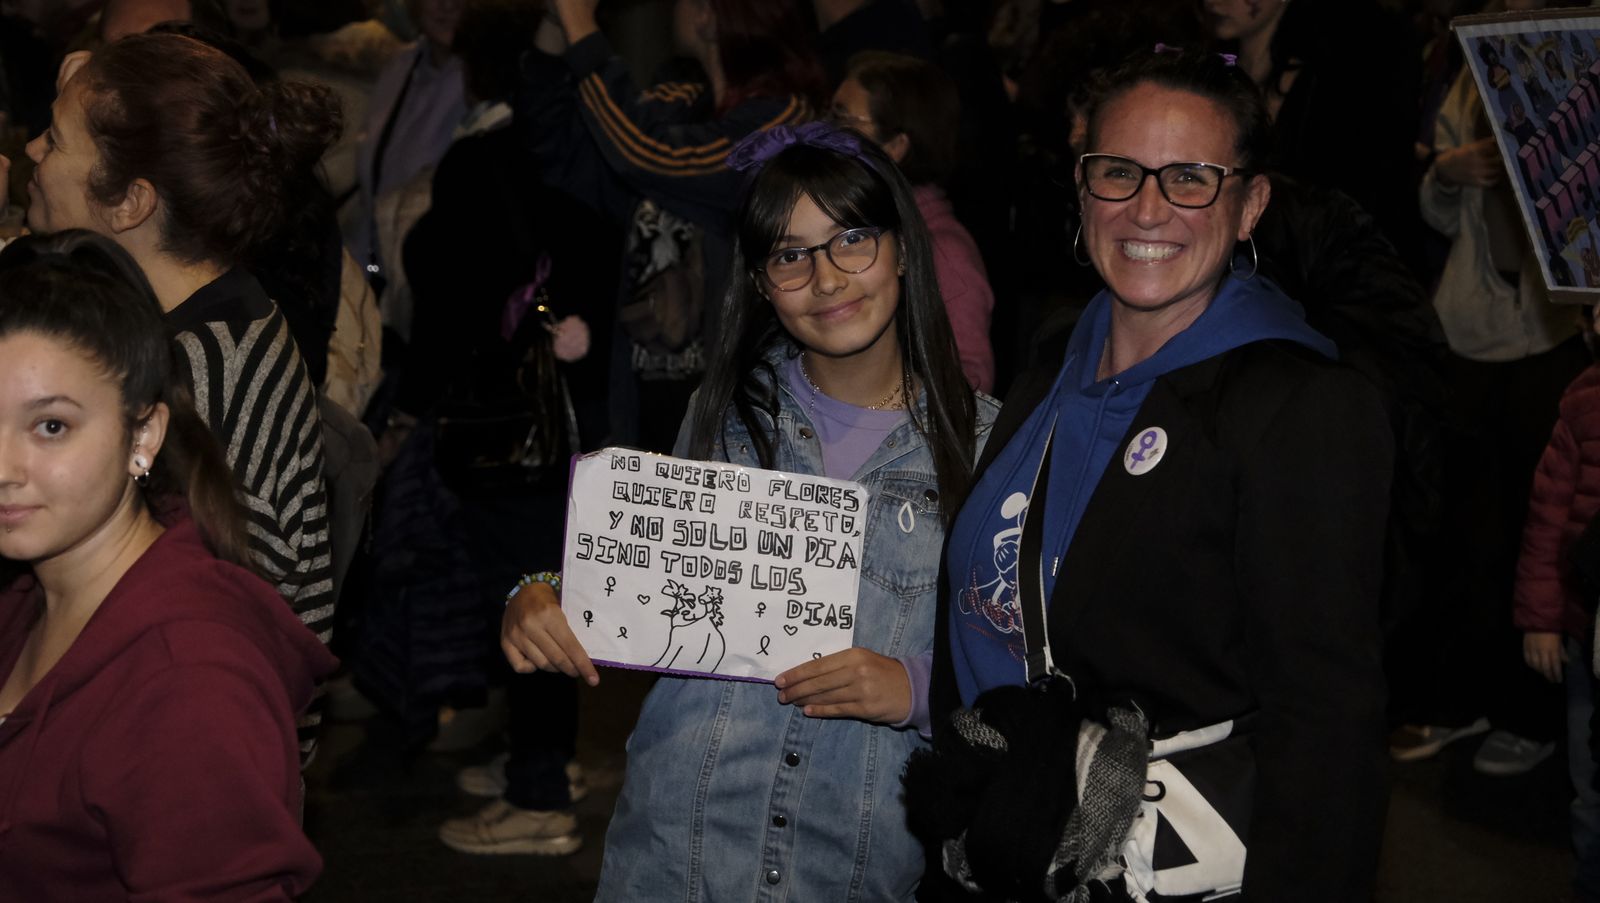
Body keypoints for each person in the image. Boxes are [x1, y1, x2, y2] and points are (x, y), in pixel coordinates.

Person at [918, 48, 1392, 901]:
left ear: (1250, 204)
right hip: (1004, 838)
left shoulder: (1299, 407)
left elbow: (1326, 723)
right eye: (1119, 172)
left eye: (1190, 178)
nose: (1147, 207)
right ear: (1081, 181)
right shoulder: (1058, 349)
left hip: (1157, 866)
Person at [499, 123, 995, 898]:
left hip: (852, 871)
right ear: (761, 281)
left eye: (852, 239)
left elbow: (1030, 669)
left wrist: (918, 689)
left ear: (903, 246)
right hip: (674, 856)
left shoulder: (988, 448)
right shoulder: (720, 413)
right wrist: (533, 592)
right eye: (791, 255)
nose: (827, 278)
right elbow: (632, 577)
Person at [24, 33, 342, 750]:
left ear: (130, 201)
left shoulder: (192, 369)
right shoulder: (205, 310)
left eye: (54, 138)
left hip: (197, 734)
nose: (35, 155)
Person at [0, 230, 336, 900]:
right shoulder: (32, 591)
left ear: (144, 435)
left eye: (52, 427)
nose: (4, 468)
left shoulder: (189, 678)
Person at [1395, 0, 1590, 775]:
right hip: (1469, 328)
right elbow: (1444, 219)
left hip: (1549, 335)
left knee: (1534, 528)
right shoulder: (1461, 76)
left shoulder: (1572, 65)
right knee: (1461, 532)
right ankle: (1465, 697)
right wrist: (1447, 174)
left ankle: (1530, 710)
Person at [515, 0, 821, 452]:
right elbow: (555, 141)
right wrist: (556, 21)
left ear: (706, 14)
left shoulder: (783, 124)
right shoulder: (686, 105)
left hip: (733, 408)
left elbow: (649, 153)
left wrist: (583, 26)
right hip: (645, 398)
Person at [833, 50, 995, 392]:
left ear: (894, 146)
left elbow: (971, 381)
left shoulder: (945, 251)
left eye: (843, 121)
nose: (825, 134)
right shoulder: (858, 226)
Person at [1515, 329, 1600, 902]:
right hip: (1582, 630)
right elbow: (1548, 515)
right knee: (1590, 783)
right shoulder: (1583, 401)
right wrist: (1541, 619)